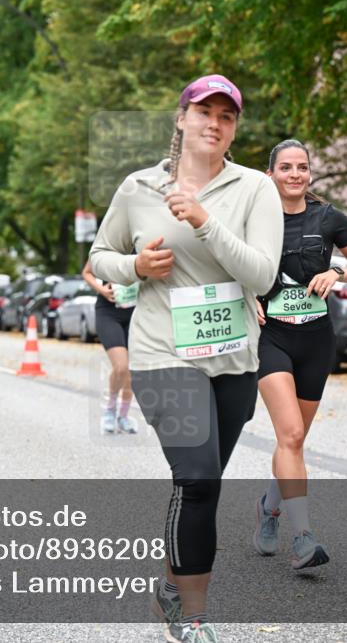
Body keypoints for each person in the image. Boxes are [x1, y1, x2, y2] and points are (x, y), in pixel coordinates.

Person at [90, 75, 283, 643]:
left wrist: (203, 219)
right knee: (196, 479)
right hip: (161, 352)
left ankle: (170, 583)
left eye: (227, 115)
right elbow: (101, 256)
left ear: (234, 129)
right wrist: (134, 269)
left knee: (206, 484)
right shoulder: (138, 188)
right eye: (205, 111)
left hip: (233, 355)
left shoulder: (256, 189)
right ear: (181, 118)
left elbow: (263, 274)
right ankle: (194, 619)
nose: (215, 123)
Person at [252, 139, 347, 569]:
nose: (295, 174)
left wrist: (336, 270)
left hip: (317, 340)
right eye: (286, 167)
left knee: (295, 440)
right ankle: (303, 537)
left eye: (302, 167)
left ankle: (270, 506)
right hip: (272, 339)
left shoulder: (329, 217)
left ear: (310, 174)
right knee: (291, 435)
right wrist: (247, 297)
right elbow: (229, 265)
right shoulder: (254, 221)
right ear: (271, 175)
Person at [82, 259, 137, 434]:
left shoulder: (144, 241)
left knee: (132, 370)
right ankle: (110, 410)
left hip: (136, 312)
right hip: (109, 312)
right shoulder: (110, 241)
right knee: (121, 367)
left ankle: (123, 416)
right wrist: (102, 290)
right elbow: (87, 272)